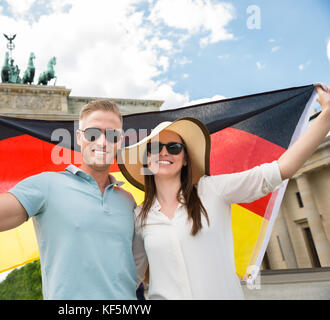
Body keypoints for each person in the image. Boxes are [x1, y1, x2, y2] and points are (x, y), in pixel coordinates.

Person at [118, 84, 330, 299]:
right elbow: (129, 277)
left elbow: (280, 170)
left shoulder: (213, 190)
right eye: (154, 148)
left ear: (185, 159)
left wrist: (326, 117)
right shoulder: (138, 216)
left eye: (174, 147)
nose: (164, 152)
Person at [0, 99, 137, 300]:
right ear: (78, 137)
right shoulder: (46, 186)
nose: (102, 142)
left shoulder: (128, 202)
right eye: (92, 134)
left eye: (112, 135)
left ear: (120, 140)